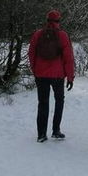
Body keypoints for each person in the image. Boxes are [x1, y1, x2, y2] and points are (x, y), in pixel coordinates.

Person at [28, 10, 75, 143]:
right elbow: (68, 58)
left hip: (41, 74)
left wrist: (35, 69)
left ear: (47, 20)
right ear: (59, 21)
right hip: (57, 75)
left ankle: (41, 134)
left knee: (43, 103)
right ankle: (56, 130)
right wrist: (70, 77)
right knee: (59, 101)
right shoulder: (63, 35)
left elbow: (31, 53)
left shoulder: (38, 34)